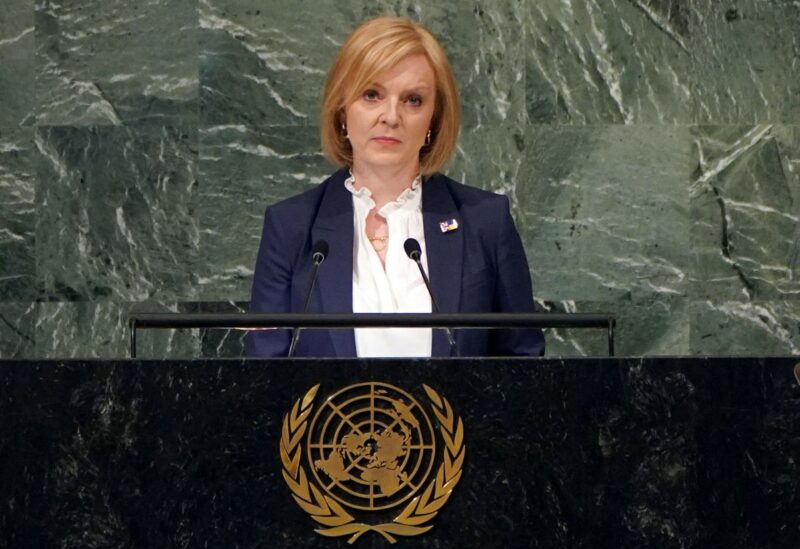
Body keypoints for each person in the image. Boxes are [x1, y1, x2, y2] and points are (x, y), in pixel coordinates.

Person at [247, 16, 545, 358]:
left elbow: (524, 368)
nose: (391, 116)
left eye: (413, 100)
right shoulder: (291, 227)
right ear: (342, 110)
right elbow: (264, 376)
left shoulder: (485, 223)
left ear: (434, 119)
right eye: (371, 95)